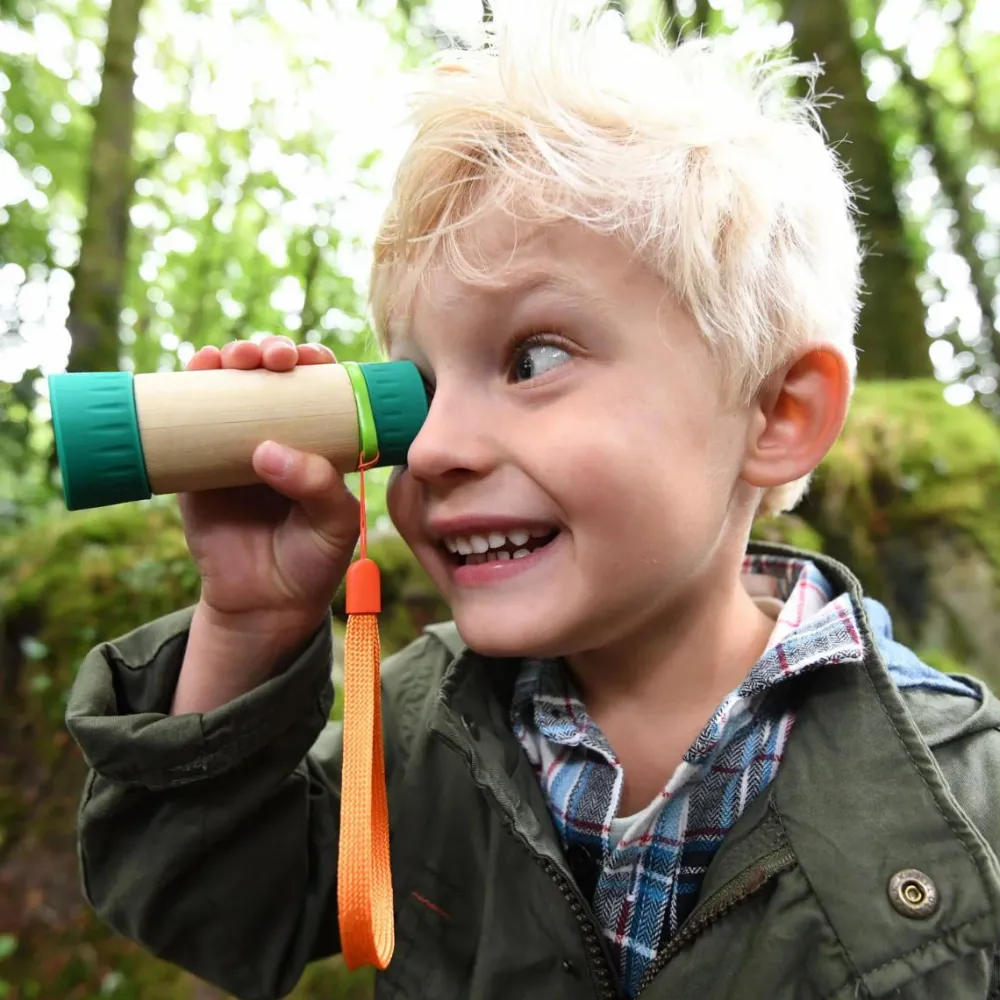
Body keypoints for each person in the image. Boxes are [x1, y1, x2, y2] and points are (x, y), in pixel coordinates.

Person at [65, 3, 1000, 999]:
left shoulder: (962, 804)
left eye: (534, 359)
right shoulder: (418, 726)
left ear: (776, 412)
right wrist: (246, 622)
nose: (434, 446)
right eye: (415, 389)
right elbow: (214, 907)